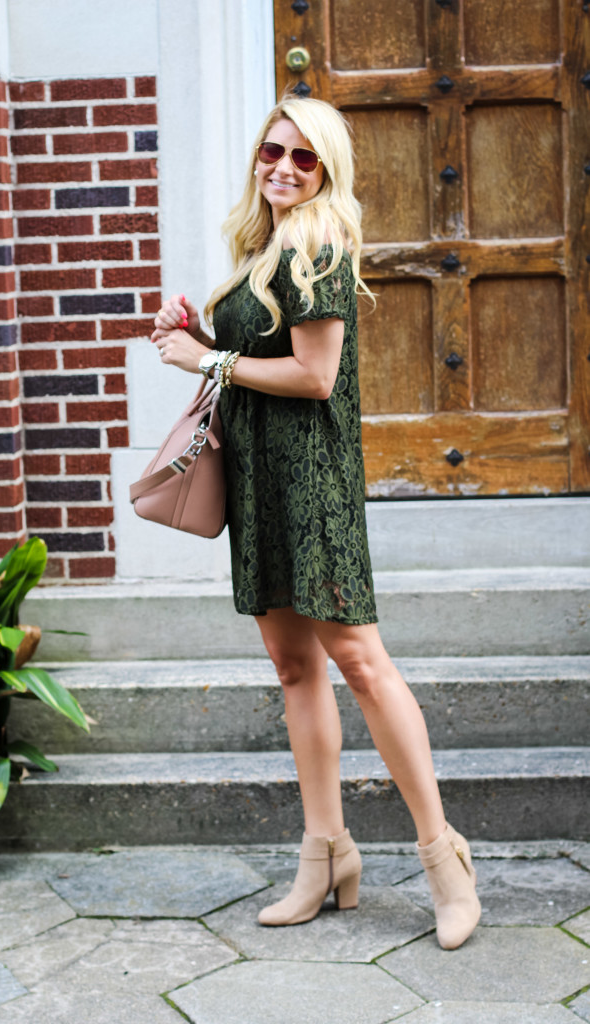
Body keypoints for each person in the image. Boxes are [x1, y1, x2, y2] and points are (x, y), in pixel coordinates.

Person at [151, 95, 481, 950]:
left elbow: (313, 376)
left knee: (362, 665)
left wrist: (208, 357)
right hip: (259, 481)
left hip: (314, 486)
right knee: (292, 669)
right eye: (272, 151)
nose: (283, 168)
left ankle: (444, 859)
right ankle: (326, 852)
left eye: (303, 158)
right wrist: (201, 329)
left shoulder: (321, 244)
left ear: (326, 171)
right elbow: (255, 356)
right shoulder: (259, 247)